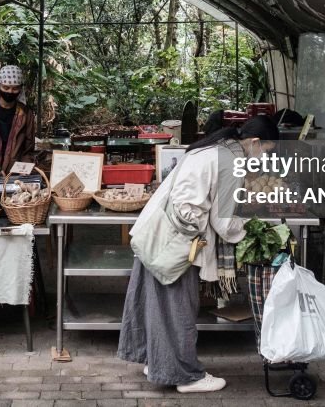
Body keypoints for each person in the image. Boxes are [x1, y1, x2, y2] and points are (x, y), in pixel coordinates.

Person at [118, 115, 280, 393]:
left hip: (158, 231)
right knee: (178, 306)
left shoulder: (214, 148)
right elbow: (224, 222)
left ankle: (157, 361)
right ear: (255, 142)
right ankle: (186, 376)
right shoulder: (232, 161)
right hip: (177, 239)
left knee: (157, 304)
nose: (263, 159)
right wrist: (254, 228)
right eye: (266, 152)